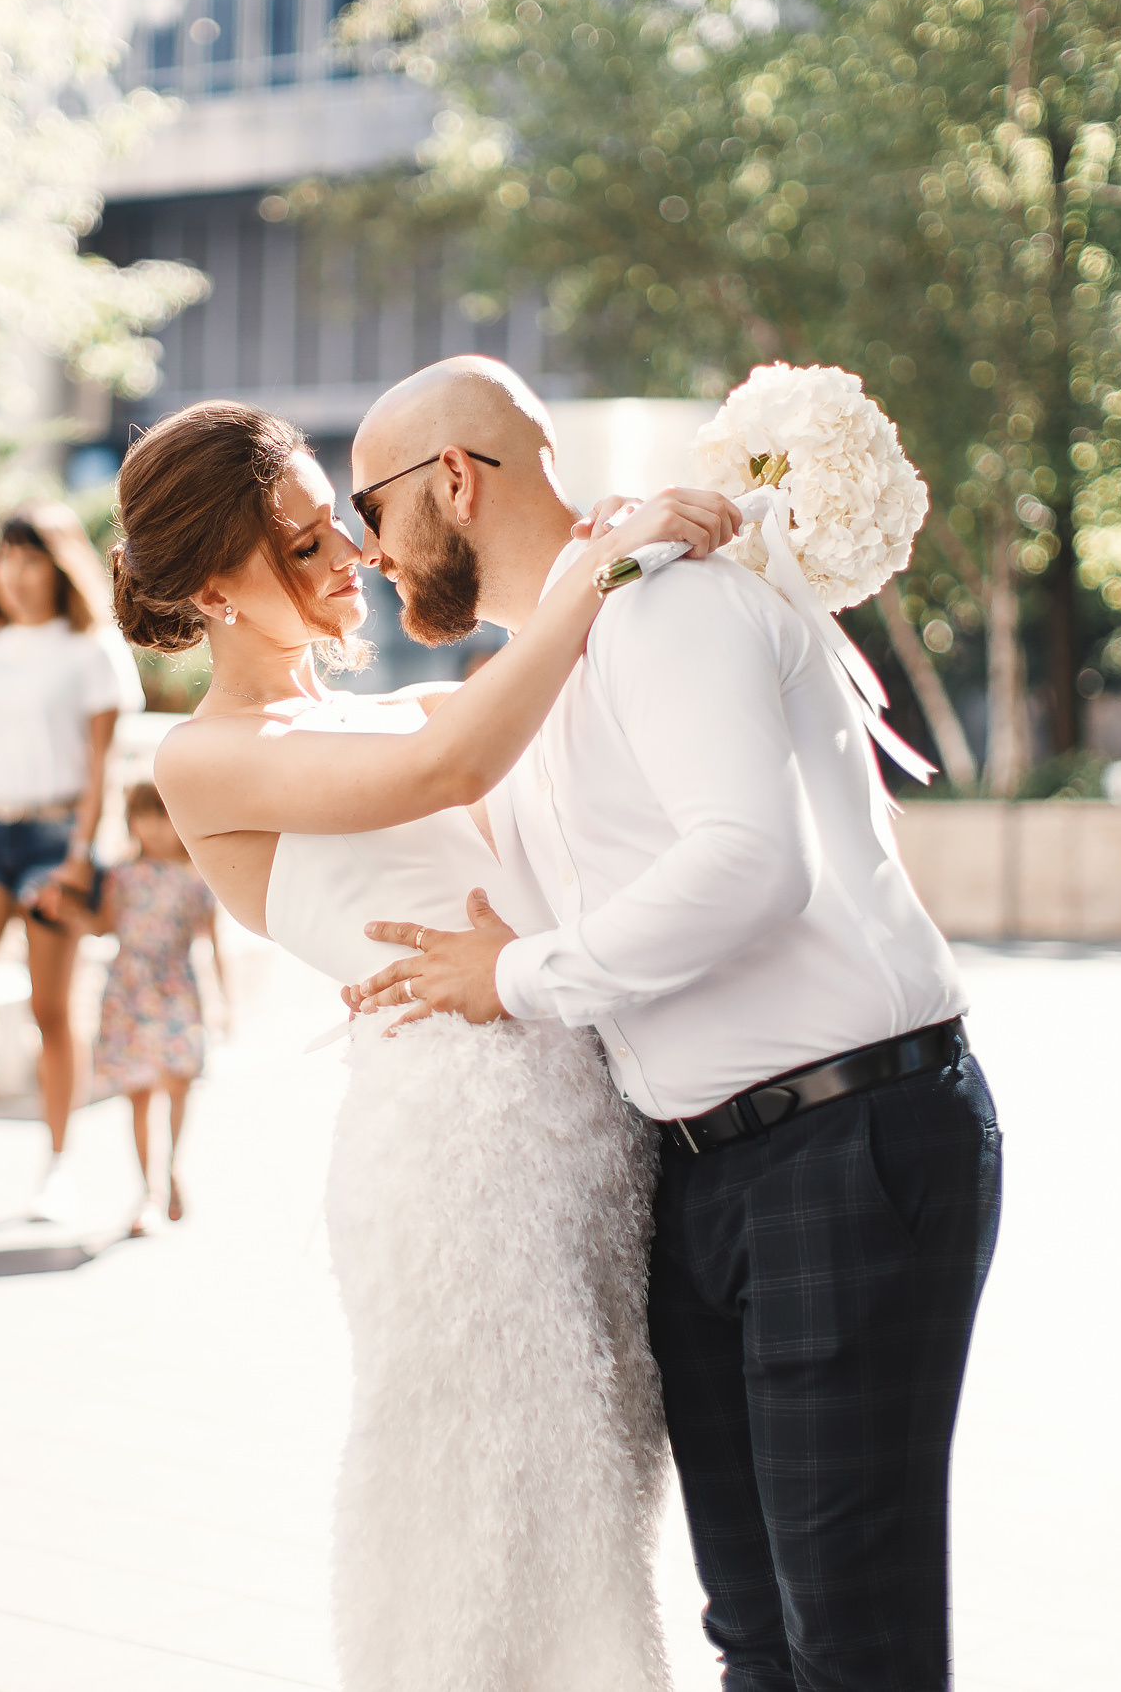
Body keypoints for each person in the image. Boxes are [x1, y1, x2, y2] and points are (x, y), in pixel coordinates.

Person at [342, 358, 997, 1692]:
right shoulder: (556, 652)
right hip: (702, 1173)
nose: (363, 549)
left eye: (370, 506)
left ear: (454, 482)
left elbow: (749, 864)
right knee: (753, 1635)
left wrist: (514, 976)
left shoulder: (667, 607)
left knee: (853, 1649)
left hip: (847, 1135)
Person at [117, 397, 742, 1689]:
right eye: (299, 547)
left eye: (339, 525)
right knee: (480, 1509)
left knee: (590, 1502)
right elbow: (459, 766)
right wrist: (604, 565)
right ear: (212, 589)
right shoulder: (205, 756)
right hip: (460, 1159)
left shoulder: (405, 704)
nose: (348, 557)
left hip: (585, 1129)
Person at [0, 504, 144, 1234]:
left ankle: (58, 1167)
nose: (14, 573)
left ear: (59, 563)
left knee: (50, 1010)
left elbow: (103, 768)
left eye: (30, 557)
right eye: (4, 557)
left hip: (55, 839)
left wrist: (80, 856)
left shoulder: (91, 649)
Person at [65, 781, 220, 1235]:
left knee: (176, 1081)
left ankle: (169, 1167)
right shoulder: (121, 876)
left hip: (175, 986)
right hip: (128, 987)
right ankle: (147, 1191)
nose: (152, 827)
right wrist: (69, 908)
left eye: (162, 815)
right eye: (143, 816)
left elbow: (214, 939)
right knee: (135, 1089)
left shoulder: (198, 877)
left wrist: (224, 1002)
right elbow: (103, 925)